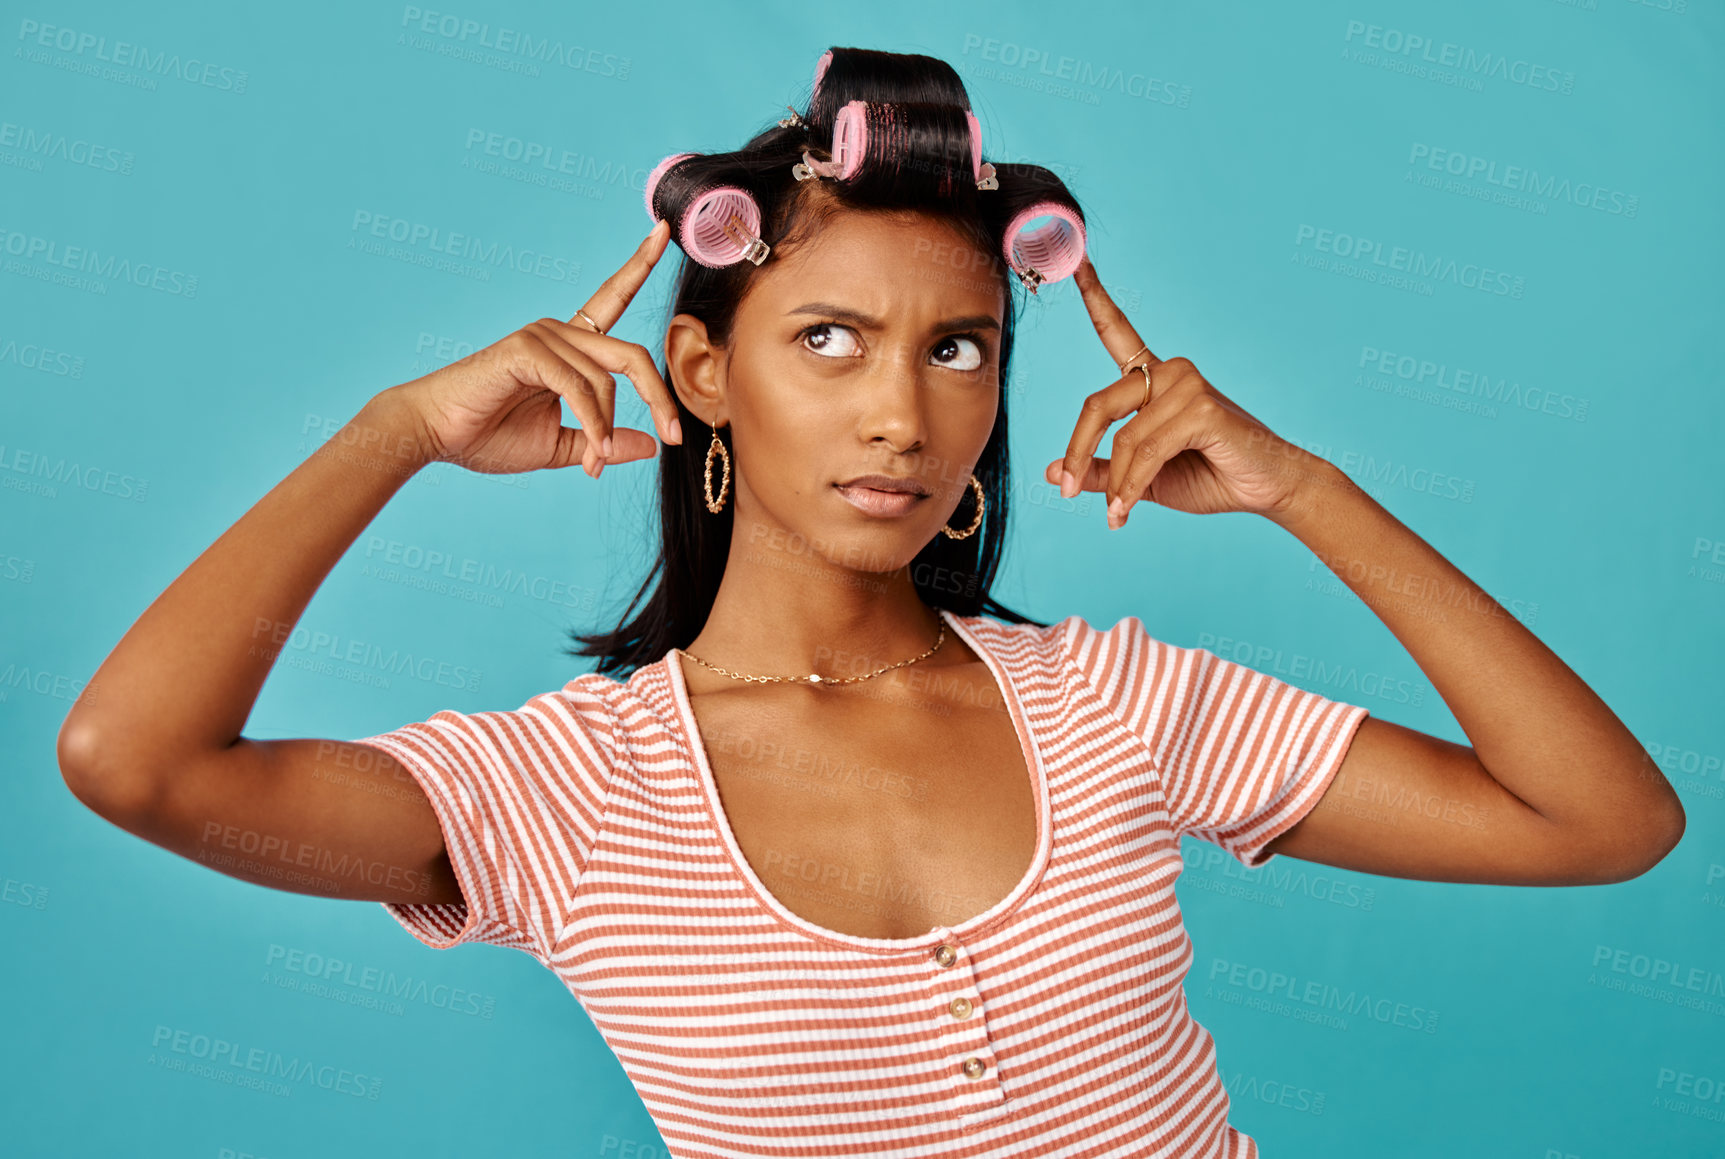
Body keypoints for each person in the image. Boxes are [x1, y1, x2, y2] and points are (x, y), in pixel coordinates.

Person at [57, 45, 1684, 1159]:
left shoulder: (1113, 703)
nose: (900, 411)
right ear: (701, 371)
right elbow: (137, 760)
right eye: (825, 339)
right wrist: (394, 431)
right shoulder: (563, 793)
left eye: (955, 346)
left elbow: (1597, 823)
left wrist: (1303, 492)